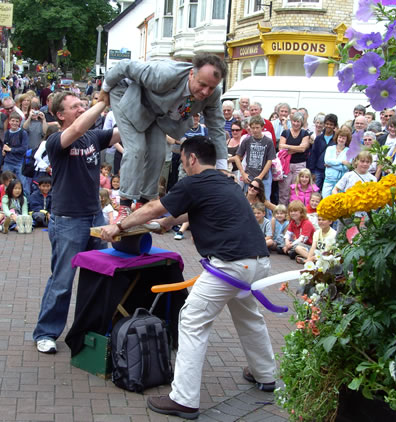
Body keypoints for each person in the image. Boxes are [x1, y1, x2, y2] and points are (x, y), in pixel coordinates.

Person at [100, 136, 277, 419]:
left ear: (192, 158)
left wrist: (119, 226)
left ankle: (183, 399)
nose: (182, 166)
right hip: (258, 262)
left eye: (183, 160)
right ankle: (265, 375)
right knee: (249, 317)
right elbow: (190, 211)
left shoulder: (194, 183)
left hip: (230, 266)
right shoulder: (226, 182)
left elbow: (154, 207)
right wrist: (165, 223)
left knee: (192, 320)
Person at [32, 91, 120, 354]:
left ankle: (90, 330)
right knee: (62, 281)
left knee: (101, 275)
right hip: (68, 220)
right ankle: (45, 333)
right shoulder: (55, 140)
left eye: (82, 105)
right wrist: (103, 102)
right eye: (75, 107)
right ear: (60, 115)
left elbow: (122, 131)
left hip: (95, 217)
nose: (81, 109)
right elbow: (78, 127)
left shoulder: (94, 136)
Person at [99, 53, 227, 222]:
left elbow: (217, 128)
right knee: (136, 149)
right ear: (191, 74)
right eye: (202, 84)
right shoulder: (164, 73)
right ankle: (125, 206)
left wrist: (222, 168)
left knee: (158, 154)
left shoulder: (213, 94)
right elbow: (124, 65)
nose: (205, 92)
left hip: (156, 113)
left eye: (211, 88)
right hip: (129, 96)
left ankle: (143, 204)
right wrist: (105, 89)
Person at [234, 115, 277, 200]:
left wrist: (260, 176)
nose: (255, 130)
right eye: (253, 128)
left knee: (265, 200)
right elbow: (237, 157)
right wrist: (243, 173)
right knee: (248, 200)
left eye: (257, 127)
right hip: (249, 176)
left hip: (264, 177)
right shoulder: (247, 140)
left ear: (262, 127)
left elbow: (269, 160)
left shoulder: (268, 141)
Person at [278, 111, 310, 205]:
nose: (296, 123)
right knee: (284, 190)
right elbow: (281, 148)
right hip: (286, 165)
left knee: (297, 189)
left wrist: (288, 147)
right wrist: (297, 148)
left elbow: (303, 148)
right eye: (294, 121)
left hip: (300, 164)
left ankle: (295, 209)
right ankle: (282, 210)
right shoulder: (285, 132)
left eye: (298, 121)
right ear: (291, 121)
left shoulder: (304, 133)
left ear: (301, 123)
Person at [307, 113, 337, 190]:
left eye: (331, 124)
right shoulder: (319, 138)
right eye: (327, 124)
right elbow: (313, 155)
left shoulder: (336, 139)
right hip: (318, 169)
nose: (328, 126)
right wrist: (312, 171)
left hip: (331, 169)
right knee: (315, 191)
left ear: (334, 126)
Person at [322, 126, 351, 197]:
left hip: (341, 182)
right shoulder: (330, 148)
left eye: (343, 138)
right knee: (325, 199)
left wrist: (331, 165)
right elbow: (327, 161)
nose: (341, 139)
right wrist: (342, 162)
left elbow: (345, 168)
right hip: (328, 180)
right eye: (340, 137)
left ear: (346, 140)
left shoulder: (349, 151)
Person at [2, 112, 29, 186]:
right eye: (13, 121)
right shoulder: (7, 133)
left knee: (23, 183)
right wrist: (4, 151)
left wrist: (11, 150)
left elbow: (24, 149)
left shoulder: (23, 133)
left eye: (17, 121)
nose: (14, 123)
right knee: (6, 183)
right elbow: (5, 145)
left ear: (19, 122)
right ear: (9, 121)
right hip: (8, 162)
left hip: (19, 162)